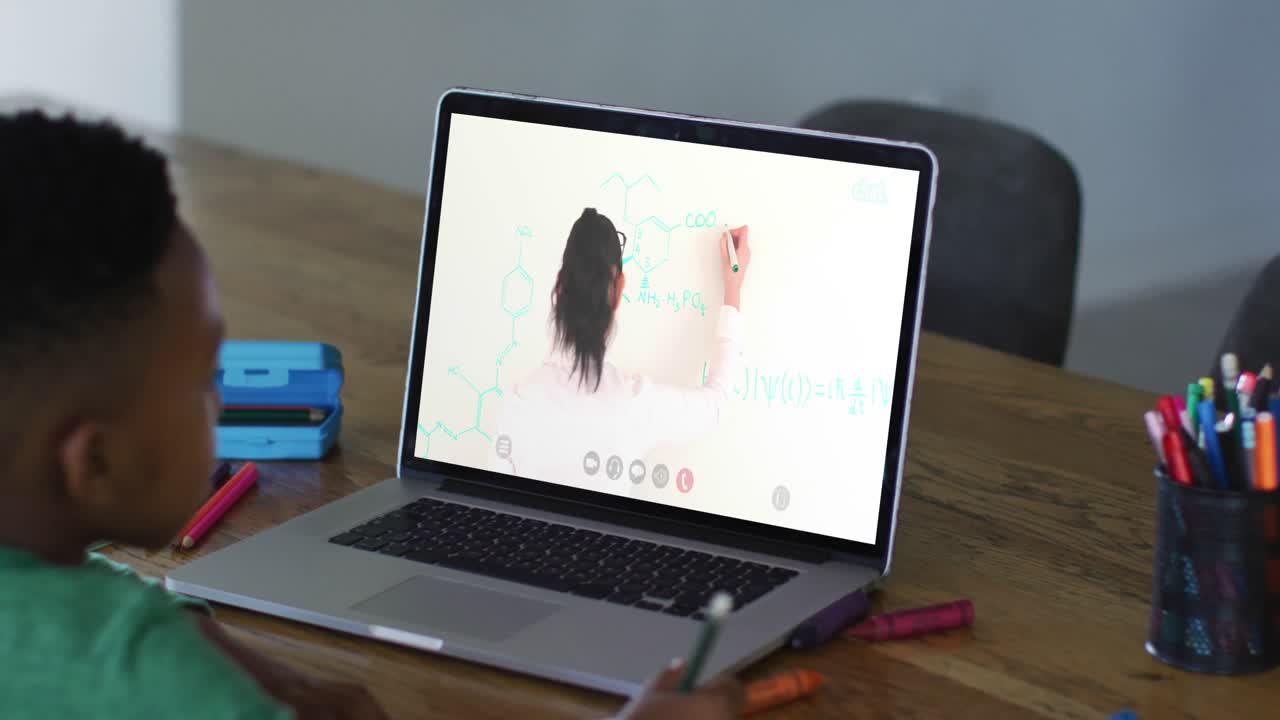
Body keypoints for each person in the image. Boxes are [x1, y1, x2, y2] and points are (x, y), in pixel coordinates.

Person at [0, 111, 742, 720]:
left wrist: (201, 635)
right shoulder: (152, 677)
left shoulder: (518, 404)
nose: (221, 401)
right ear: (93, 462)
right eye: (203, 379)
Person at [491, 208, 750, 485]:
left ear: (558, 287)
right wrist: (733, 283)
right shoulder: (634, 404)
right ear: (618, 291)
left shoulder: (516, 404)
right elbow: (716, 404)